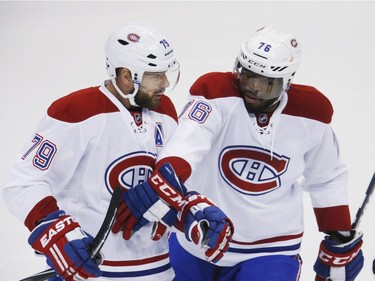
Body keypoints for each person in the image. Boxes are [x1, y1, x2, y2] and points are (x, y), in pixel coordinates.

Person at [153, 26, 364, 280]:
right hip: (200, 238)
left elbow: (327, 176)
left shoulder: (311, 114)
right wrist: (169, 181)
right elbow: (187, 141)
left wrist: (337, 233)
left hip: (271, 247)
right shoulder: (215, 93)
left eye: (265, 83)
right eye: (247, 76)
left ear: (286, 82)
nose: (252, 88)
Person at [1, 21, 202, 281]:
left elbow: (171, 184)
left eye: (166, 73)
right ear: (126, 75)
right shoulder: (76, 111)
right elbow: (23, 181)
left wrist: (192, 209)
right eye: (155, 75)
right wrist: (55, 229)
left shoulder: (164, 111)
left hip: (159, 270)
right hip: (95, 272)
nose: (164, 83)